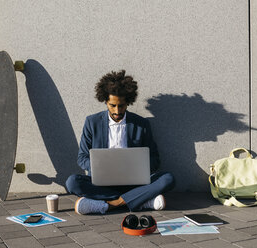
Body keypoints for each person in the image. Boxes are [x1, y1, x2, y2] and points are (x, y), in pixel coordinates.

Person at [66, 70, 175, 215]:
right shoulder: (92, 122)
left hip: (133, 184)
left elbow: (155, 160)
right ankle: (140, 201)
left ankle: (110, 204)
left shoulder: (141, 124)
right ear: (105, 101)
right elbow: (82, 158)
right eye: (112, 105)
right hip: (102, 185)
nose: (117, 111)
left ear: (128, 102)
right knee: (72, 182)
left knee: (168, 178)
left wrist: (140, 165)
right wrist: (99, 165)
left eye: (122, 105)